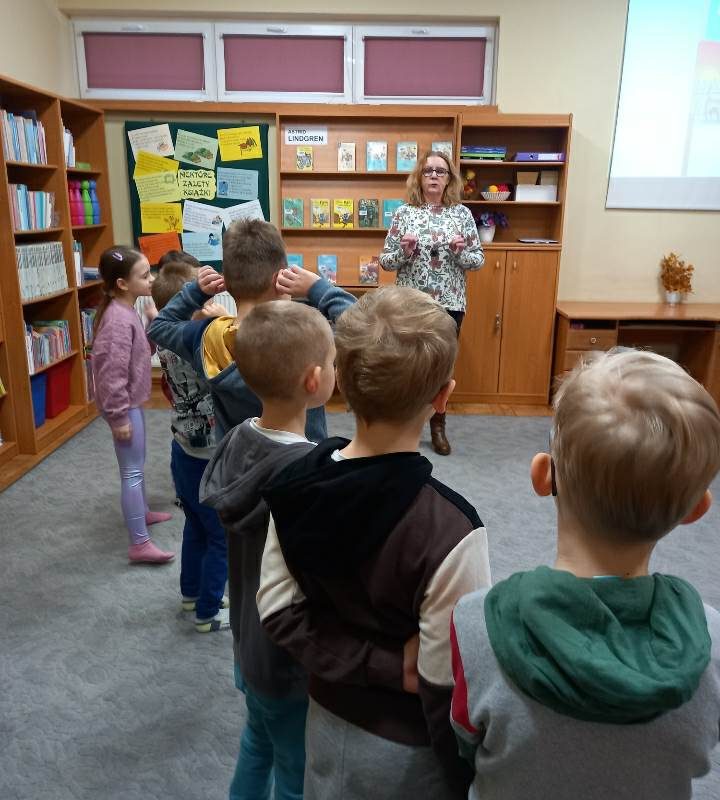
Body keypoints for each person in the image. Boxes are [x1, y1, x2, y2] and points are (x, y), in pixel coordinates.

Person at [450, 348, 720, 800]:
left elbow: (462, 741)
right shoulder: (711, 642)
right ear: (697, 509)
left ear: (543, 475)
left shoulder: (477, 622)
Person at [257, 286, 492, 800]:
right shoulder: (454, 530)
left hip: (324, 724)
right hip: (410, 757)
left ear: (338, 379)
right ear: (443, 397)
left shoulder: (294, 484)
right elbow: (445, 683)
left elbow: (277, 612)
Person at [199, 301, 337, 800]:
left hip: (245, 642)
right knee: (295, 774)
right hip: (286, 657)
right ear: (314, 380)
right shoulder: (311, 473)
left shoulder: (236, 437)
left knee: (256, 743)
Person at [147, 218, 355, 443]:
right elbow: (365, 326)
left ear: (226, 282)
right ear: (280, 279)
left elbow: (159, 326)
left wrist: (195, 293)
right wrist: (318, 288)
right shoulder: (303, 337)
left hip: (238, 467)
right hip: (303, 466)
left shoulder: (208, 337)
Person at [378, 149, 485, 456]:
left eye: (441, 171)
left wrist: (460, 251)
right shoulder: (403, 213)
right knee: (407, 362)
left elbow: (477, 260)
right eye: (428, 171)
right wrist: (405, 251)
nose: (435, 176)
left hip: (449, 303)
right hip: (410, 302)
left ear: (450, 178)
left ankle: (438, 427)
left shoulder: (462, 215)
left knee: (441, 366)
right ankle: (403, 424)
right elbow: (386, 261)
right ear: (420, 178)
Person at [151, 260, 230, 632]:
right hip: (211, 454)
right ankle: (209, 611)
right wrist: (217, 321)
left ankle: (191, 594)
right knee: (221, 537)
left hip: (182, 447)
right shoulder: (205, 338)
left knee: (196, 527)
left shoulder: (166, 342)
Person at [91, 246, 174, 564]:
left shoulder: (127, 311)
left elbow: (141, 351)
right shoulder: (116, 321)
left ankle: (142, 512)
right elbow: (110, 375)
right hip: (122, 406)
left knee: (136, 464)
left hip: (130, 402)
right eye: (144, 275)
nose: (151, 279)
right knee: (131, 472)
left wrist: (152, 322)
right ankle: (139, 543)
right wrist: (118, 417)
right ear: (123, 283)